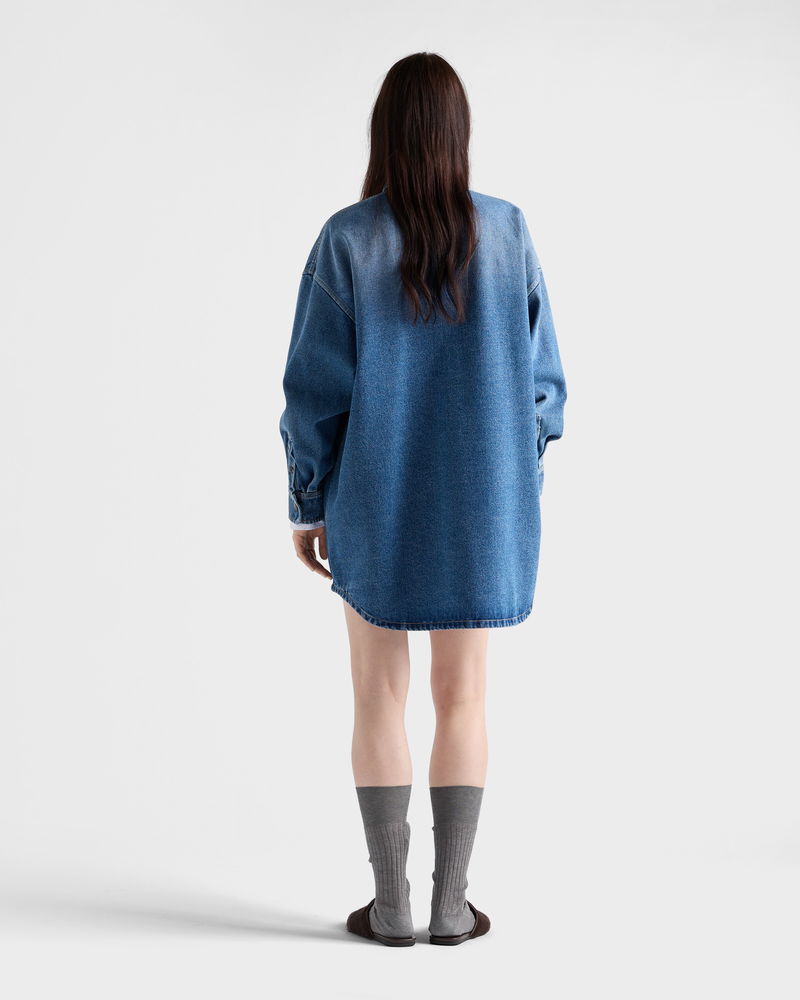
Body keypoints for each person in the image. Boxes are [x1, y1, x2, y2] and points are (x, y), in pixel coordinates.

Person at [278, 52, 567, 947]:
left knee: (377, 694)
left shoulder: (348, 240)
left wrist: (308, 502)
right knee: (464, 696)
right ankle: (451, 905)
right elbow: (545, 392)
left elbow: (314, 393)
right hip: (485, 508)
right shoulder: (508, 232)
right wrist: (515, 482)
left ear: (386, 133)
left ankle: (391, 908)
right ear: (457, 133)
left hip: (375, 499)